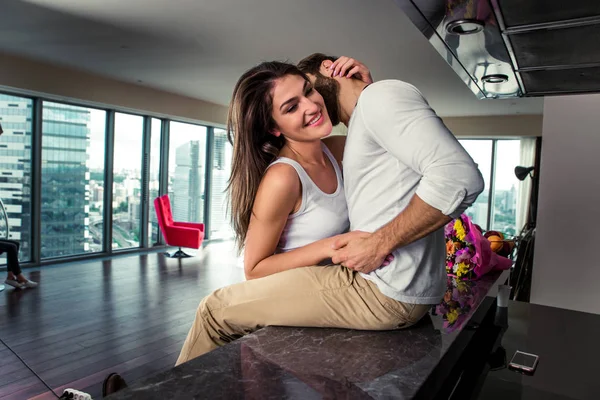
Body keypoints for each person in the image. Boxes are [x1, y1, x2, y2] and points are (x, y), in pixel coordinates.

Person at [173, 56, 483, 366]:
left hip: (339, 284)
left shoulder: (336, 148)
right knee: (213, 311)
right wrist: (330, 247)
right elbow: (254, 269)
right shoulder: (283, 177)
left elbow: (386, 147)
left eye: (308, 91)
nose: (310, 105)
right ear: (274, 128)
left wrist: (364, 92)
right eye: (291, 107)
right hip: (303, 283)